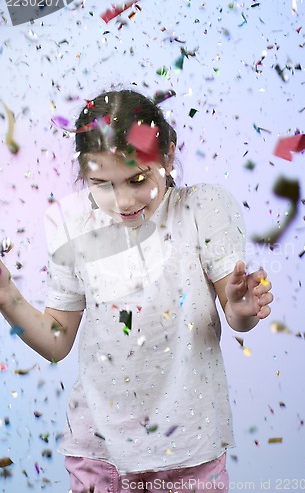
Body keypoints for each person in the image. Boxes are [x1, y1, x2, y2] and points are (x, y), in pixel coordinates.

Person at [0, 89, 273, 493]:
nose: (123, 200)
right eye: (102, 184)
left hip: (188, 451)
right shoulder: (71, 223)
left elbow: (237, 315)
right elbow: (57, 342)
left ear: (167, 156)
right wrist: (7, 297)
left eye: (138, 179)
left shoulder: (201, 209)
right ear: (83, 171)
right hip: (98, 451)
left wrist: (240, 307)